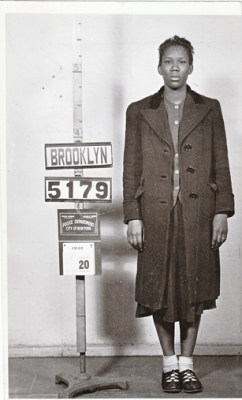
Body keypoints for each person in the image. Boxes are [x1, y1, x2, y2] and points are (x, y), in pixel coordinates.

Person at [122, 35, 234, 393]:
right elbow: (131, 167)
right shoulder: (138, 111)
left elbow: (221, 164)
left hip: (198, 214)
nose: (174, 68)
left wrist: (222, 211)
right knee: (159, 288)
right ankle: (169, 364)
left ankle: (187, 364)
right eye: (168, 61)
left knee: (194, 288)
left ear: (190, 67)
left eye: (181, 62)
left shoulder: (210, 108)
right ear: (159, 67)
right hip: (154, 215)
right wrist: (133, 215)